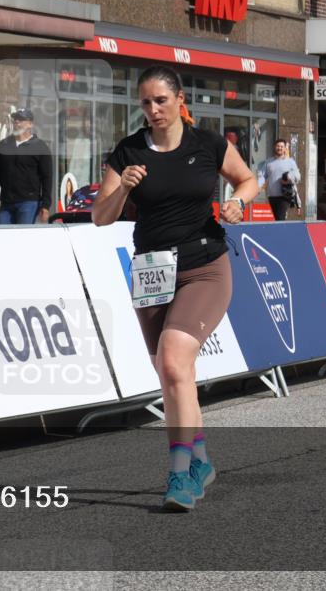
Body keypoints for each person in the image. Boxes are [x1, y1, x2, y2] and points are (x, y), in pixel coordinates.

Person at [92, 65, 257, 512]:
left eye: (161, 100)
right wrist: (121, 189)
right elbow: (100, 217)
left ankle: (181, 474)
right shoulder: (128, 152)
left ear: (180, 99)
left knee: (173, 359)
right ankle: (201, 460)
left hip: (205, 266)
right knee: (172, 373)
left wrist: (237, 203)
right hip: (151, 271)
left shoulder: (205, 144)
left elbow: (246, 178)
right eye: (145, 102)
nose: (153, 110)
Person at [0, 108, 52, 224]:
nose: (17, 122)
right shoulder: (4, 145)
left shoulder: (40, 147)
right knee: (2, 237)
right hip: (6, 203)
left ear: (30, 124)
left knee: (23, 239)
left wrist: (45, 205)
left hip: (28, 202)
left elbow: (47, 178)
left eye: (21, 119)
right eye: (15, 119)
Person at [258, 138, 301, 221]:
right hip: (272, 196)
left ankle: (282, 233)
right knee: (277, 218)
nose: (279, 148)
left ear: (285, 148)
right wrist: (258, 186)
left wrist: (288, 177)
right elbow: (262, 176)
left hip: (285, 195)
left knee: (280, 218)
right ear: (275, 147)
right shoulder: (268, 162)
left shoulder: (290, 162)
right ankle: (282, 232)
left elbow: (298, 176)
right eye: (278, 146)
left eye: (281, 146)